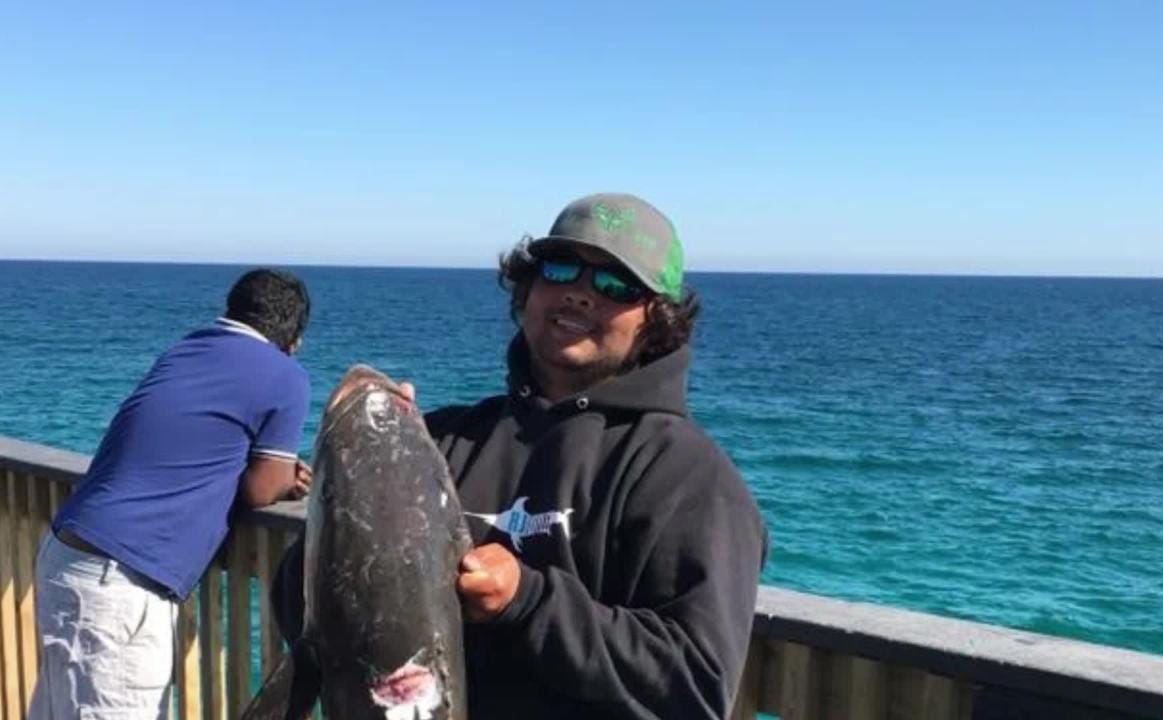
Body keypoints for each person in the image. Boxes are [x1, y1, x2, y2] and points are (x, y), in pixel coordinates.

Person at [274, 193, 768, 719]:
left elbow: (697, 682)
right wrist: (364, 476)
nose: (579, 294)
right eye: (561, 269)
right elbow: (301, 610)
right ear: (528, 285)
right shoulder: (441, 440)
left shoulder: (687, 475)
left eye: (614, 284)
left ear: (658, 318)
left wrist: (528, 603)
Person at [30, 268, 314, 720]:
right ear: (294, 337)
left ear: (232, 310)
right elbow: (262, 489)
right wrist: (286, 477)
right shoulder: (286, 375)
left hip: (66, 557)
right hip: (121, 580)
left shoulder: (187, 348)